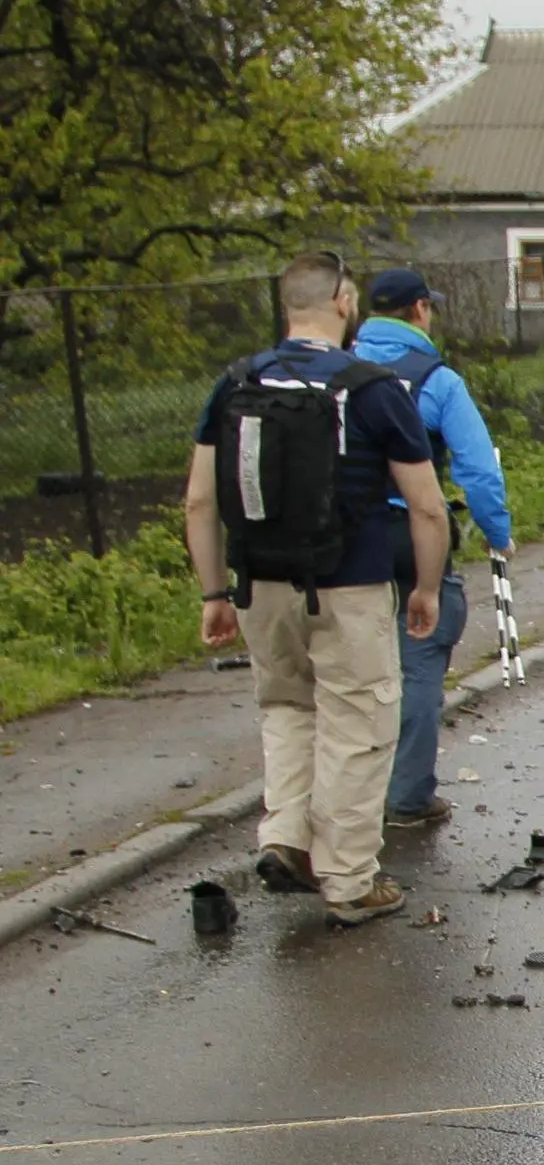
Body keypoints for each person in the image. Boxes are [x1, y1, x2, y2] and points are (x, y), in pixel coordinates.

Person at [183, 253, 446, 927]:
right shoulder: (370, 386)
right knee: (359, 727)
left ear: (285, 306)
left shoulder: (235, 382)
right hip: (349, 588)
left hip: (260, 588)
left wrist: (215, 592)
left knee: (289, 711)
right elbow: (426, 506)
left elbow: (198, 502)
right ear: (345, 301)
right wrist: (426, 587)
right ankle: (351, 881)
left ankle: (285, 839)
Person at [354, 266, 512, 830]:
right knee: (419, 662)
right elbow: (476, 468)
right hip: (411, 535)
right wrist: (498, 532)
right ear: (421, 310)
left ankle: (341, 802)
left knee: (348, 669)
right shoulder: (436, 380)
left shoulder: (337, 370)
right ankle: (407, 798)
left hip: (339, 542)